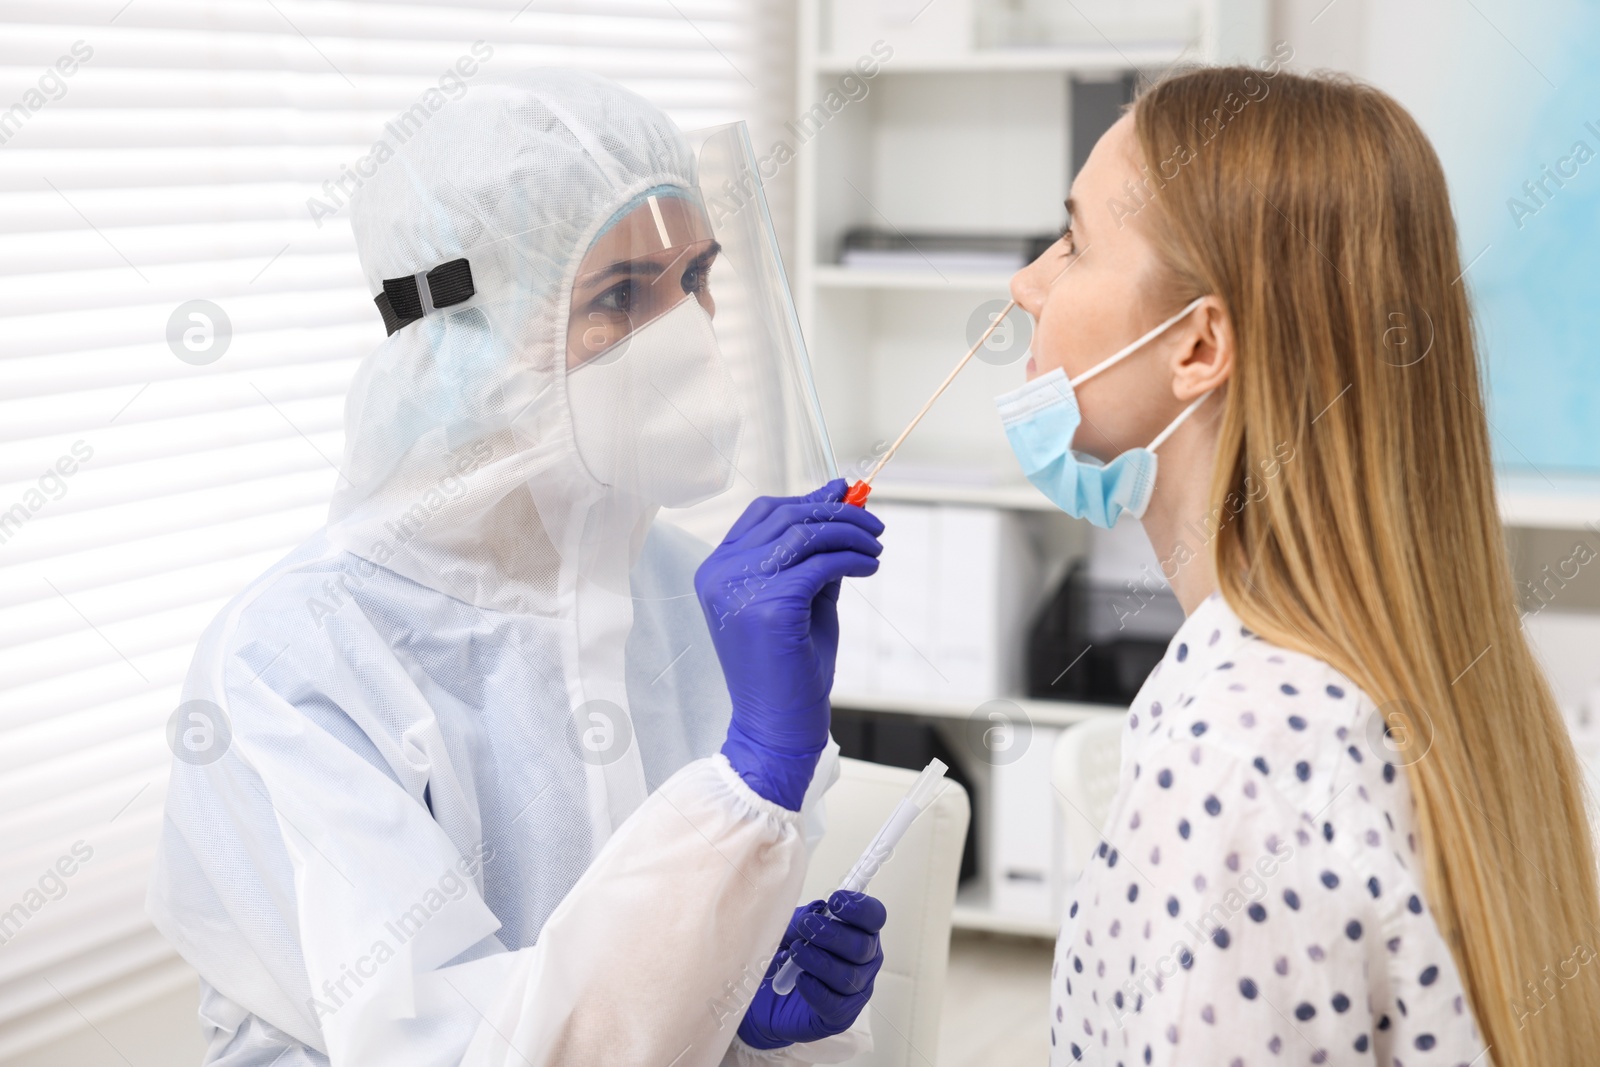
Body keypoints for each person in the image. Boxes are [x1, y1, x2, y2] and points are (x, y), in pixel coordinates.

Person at [147, 69, 889, 1066]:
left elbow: (664, 980)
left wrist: (732, 980)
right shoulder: (294, 661)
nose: (688, 337)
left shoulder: (692, 594)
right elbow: (444, 1047)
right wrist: (747, 785)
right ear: (470, 343)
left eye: (697, 280)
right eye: (621, 295)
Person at [994, 67, 1600, 1065]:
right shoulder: (1453, 686)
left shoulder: (1231, 766)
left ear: (1195, 346)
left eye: (1073, 242)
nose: (1027, 283)